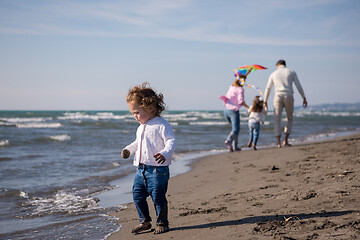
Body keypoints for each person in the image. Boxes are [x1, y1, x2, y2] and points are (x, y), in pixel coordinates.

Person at [121, 83, 176, 235]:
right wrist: (128, 150)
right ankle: (144, 221)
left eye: (137, 112)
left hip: (158, 170)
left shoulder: (161, 125)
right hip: (141, 169)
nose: (135, 116)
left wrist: (165, 153)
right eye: (133, 113)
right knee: (137, 196)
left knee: (158, 197)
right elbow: (137, 143)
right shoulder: (141, 127)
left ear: (150, 107)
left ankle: (162, 222)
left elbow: (171, 141)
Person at [263, 59, 307, 148]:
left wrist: (265, 100)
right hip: (289, 95)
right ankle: (285, 140)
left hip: (278, 96)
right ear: (284, 65)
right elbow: (298, 85)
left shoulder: (273, 74)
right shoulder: (291, 72)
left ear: (277, 65)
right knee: (289, 118)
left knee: (277, 119)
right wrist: (303, 97)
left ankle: (278, 143)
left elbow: (268, 88)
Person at [220, 75, 249, 152]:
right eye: (244, 81)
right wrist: (248, 107)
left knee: (235, 129)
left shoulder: (231, 87)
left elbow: (240, 78)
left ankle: (235, 147)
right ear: (242, 81)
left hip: (226, 111)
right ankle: (228, 141)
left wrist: (247, 73)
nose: (245, 82)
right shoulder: (240, 89)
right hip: (233, 111)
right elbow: (240, 101)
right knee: (236, 129)